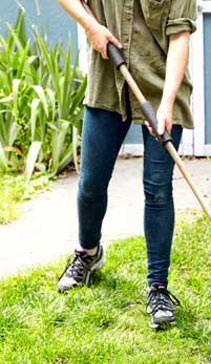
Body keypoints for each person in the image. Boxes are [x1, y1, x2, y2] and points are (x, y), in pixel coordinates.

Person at [56, 0, 196, 328]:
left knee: (158, 188)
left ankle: (157, 287)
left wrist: (167, 103)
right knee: (91, 183)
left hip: (162, 86)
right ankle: (88, 254)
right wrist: (90, 24)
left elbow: (180, 37)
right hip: (107, 81)